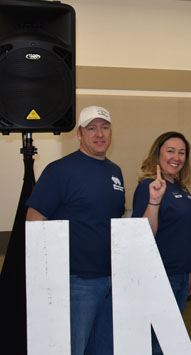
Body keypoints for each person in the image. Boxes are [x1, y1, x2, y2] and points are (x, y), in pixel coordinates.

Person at [26, 106, 125, 355]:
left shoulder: (115, 172)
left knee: (105, 349)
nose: (99, 134)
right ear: (79, 134)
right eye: (91, 128)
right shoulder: (59, 171)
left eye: (104, 127)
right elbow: (34, 221)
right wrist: (47, 278)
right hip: (75, 282)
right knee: (72, 349)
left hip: (111, 280)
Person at [131, 131, 191, 354]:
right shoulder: (149, 187)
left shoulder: (181, 187)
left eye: (181, 153)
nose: (176, 157)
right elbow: (143, 233)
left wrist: (189, 272)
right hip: (160, 276)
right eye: (170, 151)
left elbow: (183, 231)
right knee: (157, 343)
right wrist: (154, 201)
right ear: (157, 154)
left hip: (180, 275)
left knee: (168, 340)